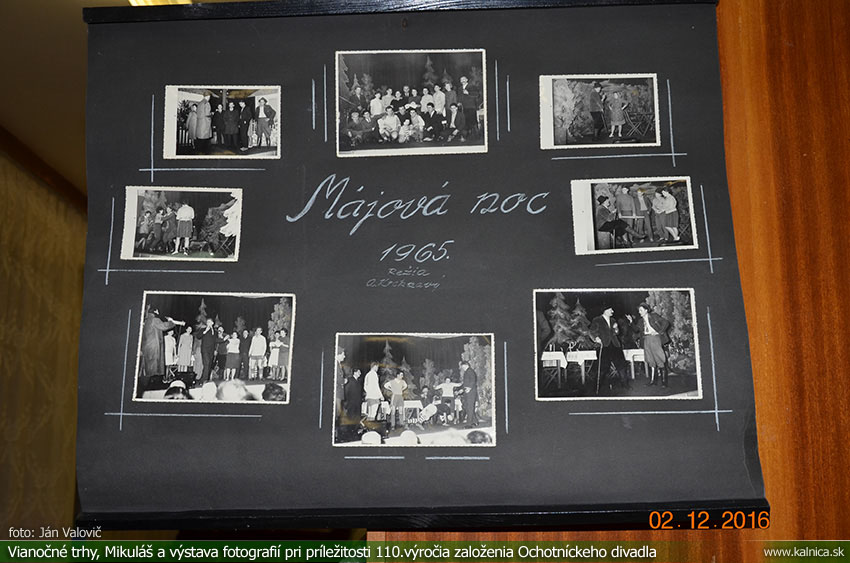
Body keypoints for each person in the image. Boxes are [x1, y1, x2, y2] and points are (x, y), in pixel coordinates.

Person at [138, 307, 185, 397]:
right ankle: (147, 389)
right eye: (158, 311)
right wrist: (172, 322)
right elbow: (164, 326)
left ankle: (144, 388)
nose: (158, 312)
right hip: (153, 347)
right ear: (155, 311)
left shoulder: (147, 320)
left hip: (147, 347)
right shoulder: (154, 319)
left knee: (147, 368)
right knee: (152, 368)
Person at [630, 303, 672, 387]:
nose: (639, 312)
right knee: (650, 360)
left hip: (655, 339)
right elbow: (636, 330)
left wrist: (659, 332)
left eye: (641, 310)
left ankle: (664, 382)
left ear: (646, 310)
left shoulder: (654, 316)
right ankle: (653, 381)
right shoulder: (640, 321)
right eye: (639, 310)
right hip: (646, 339)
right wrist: (631, 322)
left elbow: (666, 322)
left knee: (659, 359)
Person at [589, 305, 631, 390]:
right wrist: (596, 338)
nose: (612, 311)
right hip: (604, 346)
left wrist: (616, 329)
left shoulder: (613, 320)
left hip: (615, 345)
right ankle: (596, 387)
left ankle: (625, 384)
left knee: (621, 365)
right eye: (610, 309)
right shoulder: (597, 320)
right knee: (603, 368)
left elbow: (617, 333)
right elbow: (591, 331)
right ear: (605, 310)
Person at [197, 318, 216, 384]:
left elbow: (216, 340)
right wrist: (205, 331)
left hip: (211, 351)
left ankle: (202, 379)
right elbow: (198, 336)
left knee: (208, 365)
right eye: (207, 322)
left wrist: (224, 339)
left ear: (212, 323)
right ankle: (205, 380)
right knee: (207, 363)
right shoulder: (203, 329)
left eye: (209, 322)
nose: (208, 323)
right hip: (205, 350)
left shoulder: (214, 331)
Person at [460, 360, 479, 427]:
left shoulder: (470, 371)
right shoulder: (466, 372)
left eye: (463, 367)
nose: (462, 368)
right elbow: (466, 383)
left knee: (470, 407)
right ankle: (475, 421)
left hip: (471, 392)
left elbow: (473, 380)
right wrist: (462, 390)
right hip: (467, 392)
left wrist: (469, 388)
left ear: (466, 365)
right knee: (467, 406)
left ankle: (469, 424)